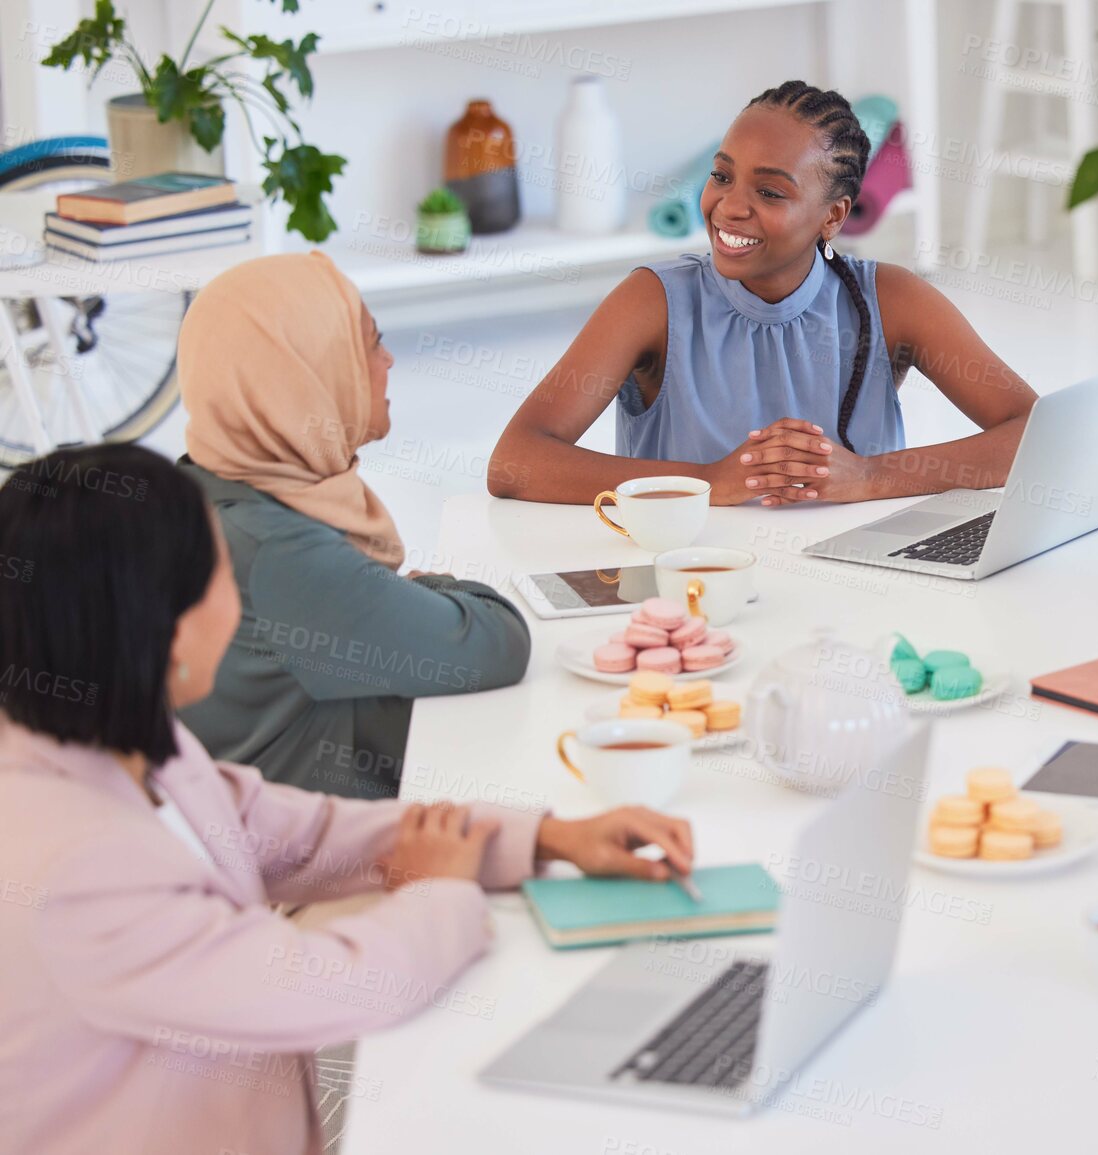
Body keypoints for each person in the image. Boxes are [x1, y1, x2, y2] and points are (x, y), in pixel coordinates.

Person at [0, 444, 696, 1155]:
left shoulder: (118, 737)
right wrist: (440, 892)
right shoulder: (77, 870)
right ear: (166, 628)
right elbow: (320, 986)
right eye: (220, 572)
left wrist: (546, 837)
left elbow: (302, 831)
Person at [488, 80, 1037, 507]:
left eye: (770, 191)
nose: (730, 206)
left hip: (856, 583)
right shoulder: (652, 301)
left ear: (833, 216)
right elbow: (514, 461)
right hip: (690, 584)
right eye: (722, 176)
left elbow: (1036, 433)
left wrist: (869, 477)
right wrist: (707, 483)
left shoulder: (891, 300)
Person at [174, 252, 530, 799]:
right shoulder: (277, 552)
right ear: (305, 374)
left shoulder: (200, 488)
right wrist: (427, 586)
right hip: (311, 855)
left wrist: (393, 596)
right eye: (368, 344)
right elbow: (498, 644)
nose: (388, 360)